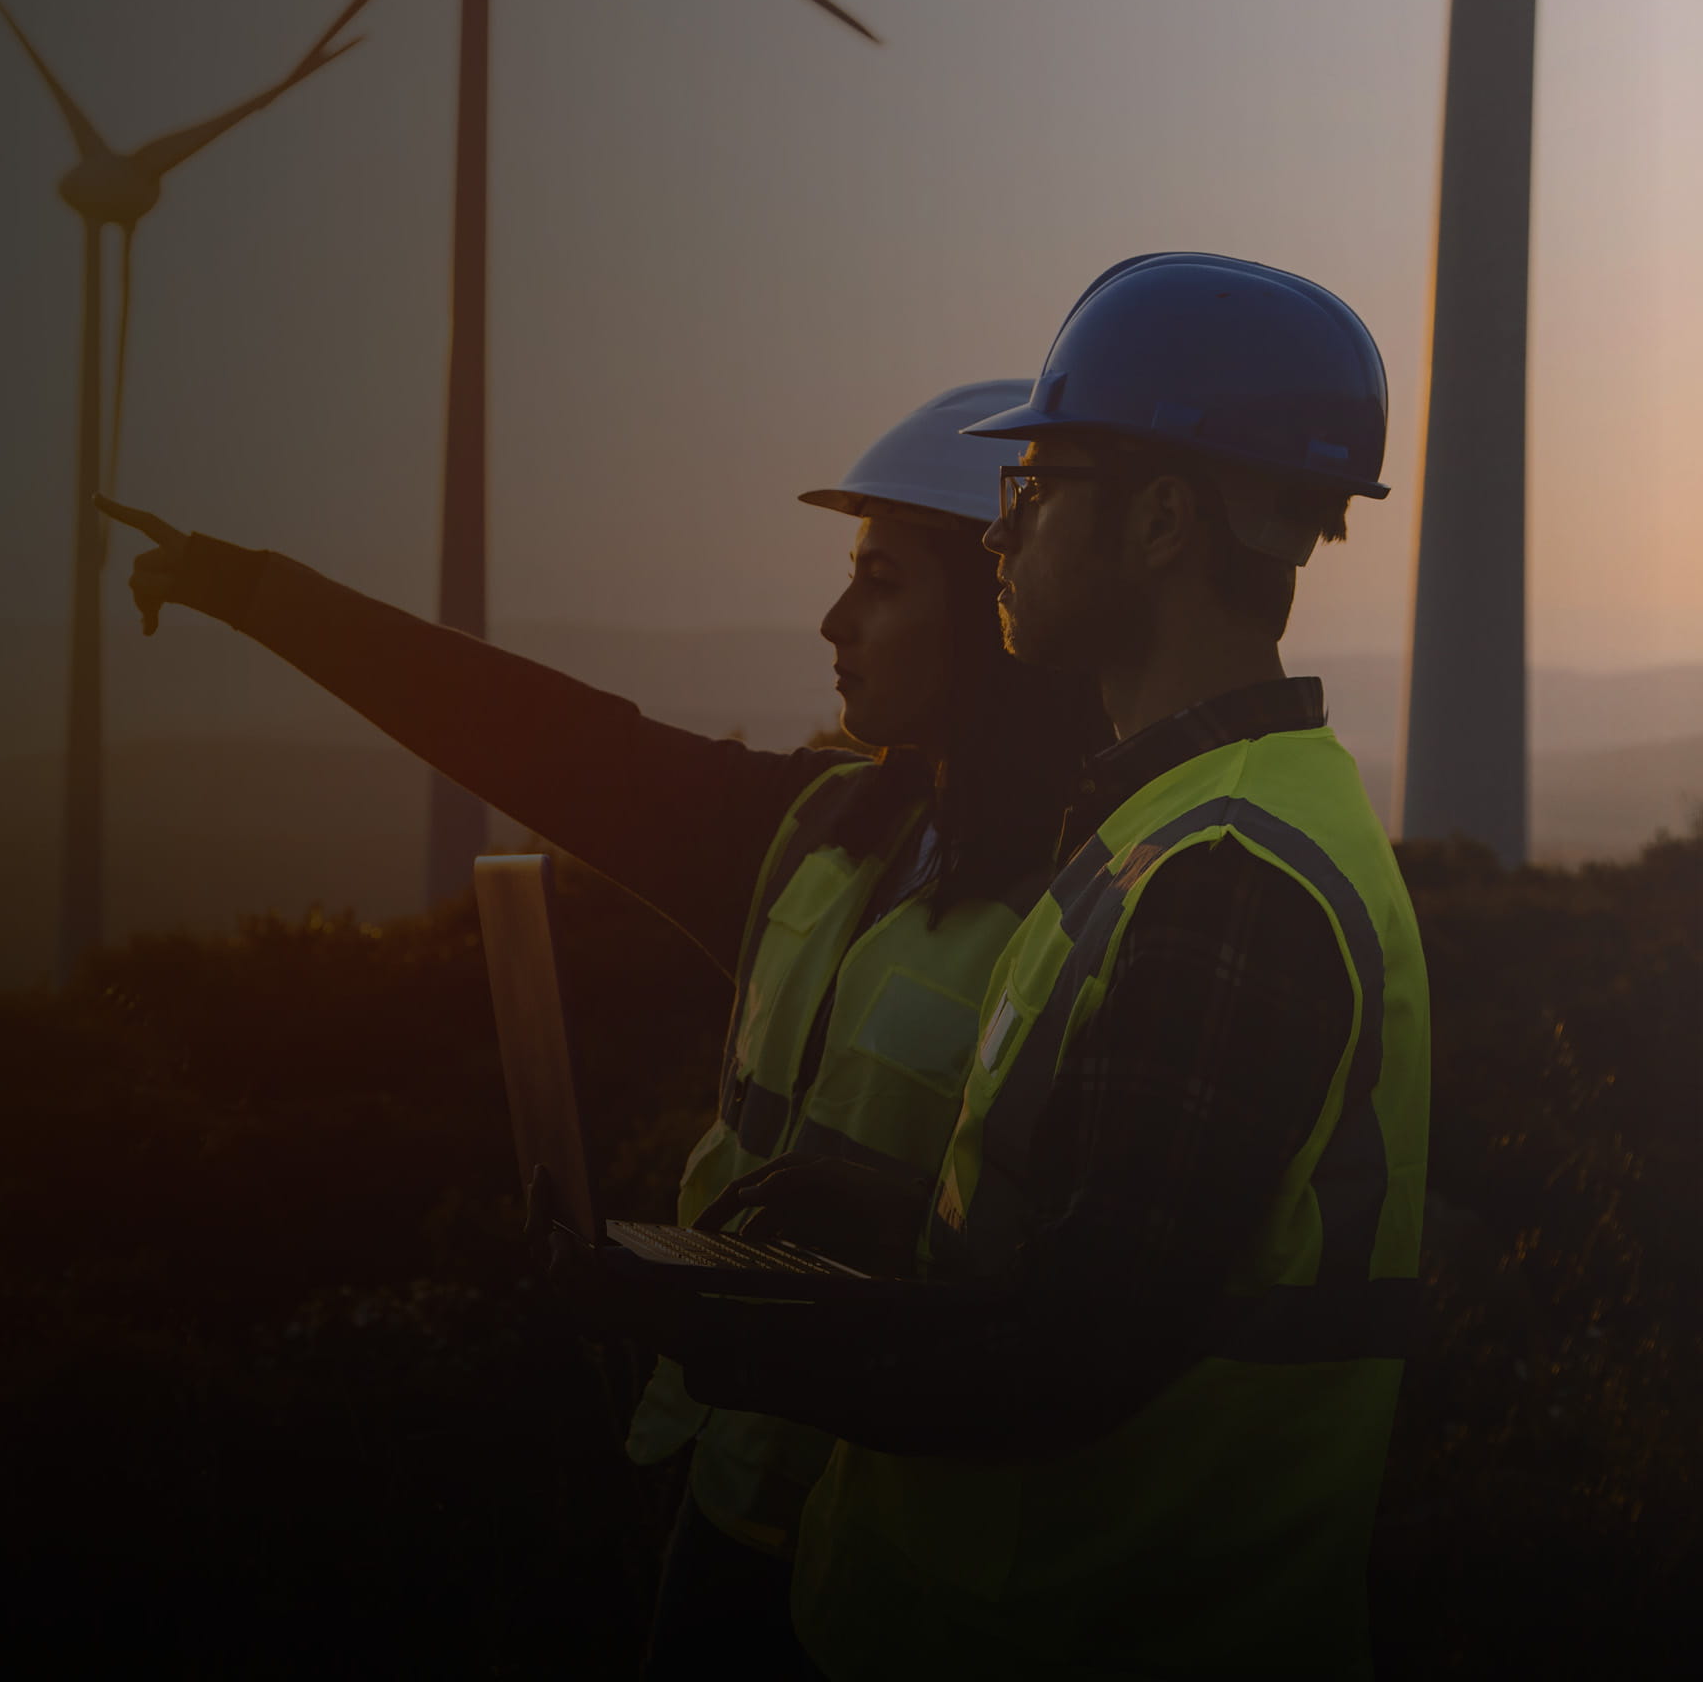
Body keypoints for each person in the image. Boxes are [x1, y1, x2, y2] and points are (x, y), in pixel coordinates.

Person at [95, 380, 1110, 1678]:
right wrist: (258, 591)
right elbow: (556, 744)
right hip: (736, 1499)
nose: (834, 622)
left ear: (993, 611)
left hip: (930, 1572)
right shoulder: (817, 836)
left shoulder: (1107, 907)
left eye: (883, 584)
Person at [608, 253, 1433, 1679]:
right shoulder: (1170, 827)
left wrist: (726, 1326)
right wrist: (865, 1221)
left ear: (1164, 521)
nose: (1000, 533)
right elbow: (1077, 1244)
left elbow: (1072, 1352)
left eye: (1034, 489)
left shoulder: (1226, 881)